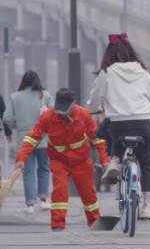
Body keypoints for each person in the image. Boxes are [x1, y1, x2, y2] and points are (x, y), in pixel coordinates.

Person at [89, 33, 150, 219]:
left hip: (119, 124)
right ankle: (148, 206)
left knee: (113, 130)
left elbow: (94, 101)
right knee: (146, 162)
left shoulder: (106, 73)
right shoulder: (142, 72)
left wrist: (95, 108)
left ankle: (114, 161)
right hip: (143, 122)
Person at [15, 88, 110, 231]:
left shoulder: (83, 115)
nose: (61, 112)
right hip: (59, 160)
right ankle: (58, 224)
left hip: (81, 160)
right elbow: (32, 137)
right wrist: (22, 158)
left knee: (88, 193)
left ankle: (95, 221)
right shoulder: (48, 117)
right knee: (59, 191)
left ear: (74, 103)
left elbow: (98, 139)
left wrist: (104, 160)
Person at [4, 71, 53, 214]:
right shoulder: (45, 95)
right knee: (44, 168)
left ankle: (30, 204)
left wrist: (17, 126)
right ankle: (43, 200)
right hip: (43, 138)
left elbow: (7, 117)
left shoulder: (15, 97)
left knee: (28, 171)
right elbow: (53, 113)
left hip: (24, 139)